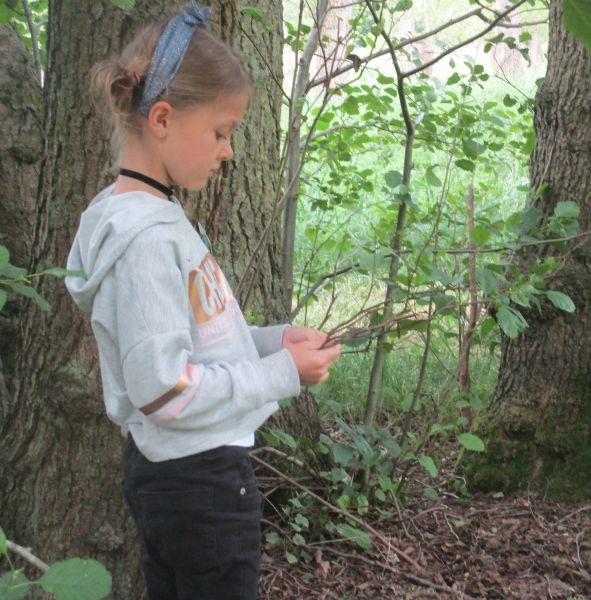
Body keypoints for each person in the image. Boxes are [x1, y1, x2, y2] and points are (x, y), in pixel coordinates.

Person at [65, 3, 341, 599]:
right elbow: (166, 391)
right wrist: (282, 373)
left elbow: (199, 339)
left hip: (186, 475)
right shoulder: (145, 239)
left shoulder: (154, 217)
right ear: (162, 118)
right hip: (199, 483)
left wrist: (273, 341)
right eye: (220, 132)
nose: (228, 151)